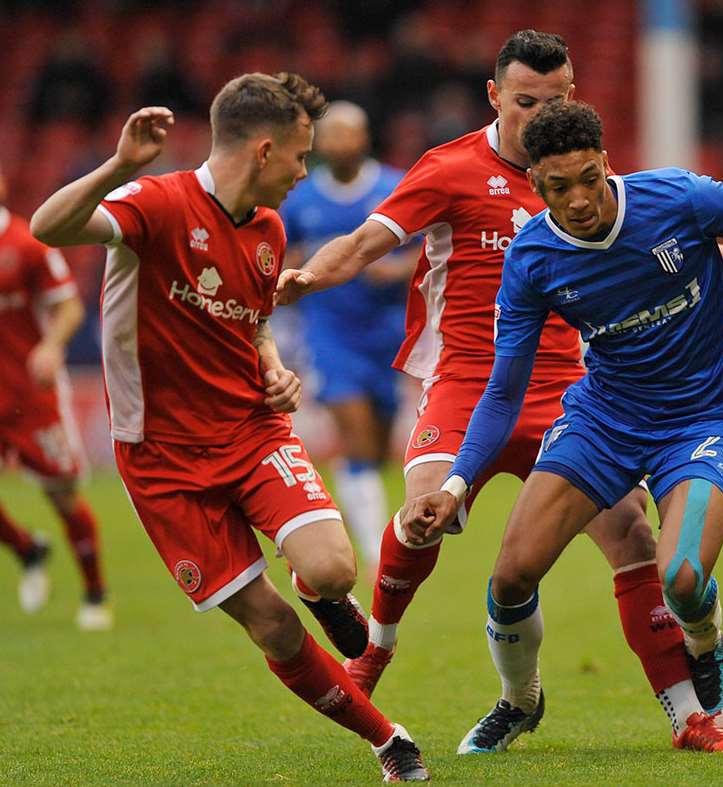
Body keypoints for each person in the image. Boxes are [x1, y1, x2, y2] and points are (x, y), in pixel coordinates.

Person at [276, 30, 723, 748]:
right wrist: (305, 278)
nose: (542, 113)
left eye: (558, 98)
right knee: (425, 515)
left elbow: (648, 250)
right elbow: (361, 243)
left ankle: (688, 716)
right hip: (466, 382)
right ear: (494, 96)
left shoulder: (575, 169)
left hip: (571, 385)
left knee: (634, 536)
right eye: (526, 101)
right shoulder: (450, 170)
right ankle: (379, 650)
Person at [400, 100, 723, 754]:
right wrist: (454, 485)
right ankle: (519, 700)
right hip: (604, 419)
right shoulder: (532, 257)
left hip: (701, 416)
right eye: (559, 187)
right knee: (510, 576)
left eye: (589, 178)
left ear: (606, 164)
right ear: (536, 185)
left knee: (680, 578)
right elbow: (503, 391)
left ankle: (705, 643)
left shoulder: (678, 197)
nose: (580, 198)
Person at [30, 73, 428, 782]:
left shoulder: (272, 230)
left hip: (251, 429)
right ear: (265, 149)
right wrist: (121, 165)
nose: (304, 175)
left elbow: (252, 321)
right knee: (270, 626)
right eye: (300, 158)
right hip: (161, 461)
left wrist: (272, 364)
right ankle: (387, 740)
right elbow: (50, 227)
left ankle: (317, 590)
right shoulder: (153, 202)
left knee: (333, 568)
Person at [280, 102, 414, 580]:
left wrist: (394, 269)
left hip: (388, 333)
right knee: (355, 437)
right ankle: (378, 554)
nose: (339, 144)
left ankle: (363, 513)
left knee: (376, 448)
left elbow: (429, 253)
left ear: (364, 139)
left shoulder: (394, 186)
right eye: (330, 136)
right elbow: (284, 254)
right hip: (329, 334)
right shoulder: (299, 199)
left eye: (347, 135)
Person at [0, 163, 111, 630]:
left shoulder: (25, 243)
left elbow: (67, 307)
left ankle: (94, 592)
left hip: (30, 390)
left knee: (62, 494)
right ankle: (27, 549)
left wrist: (50, 346)